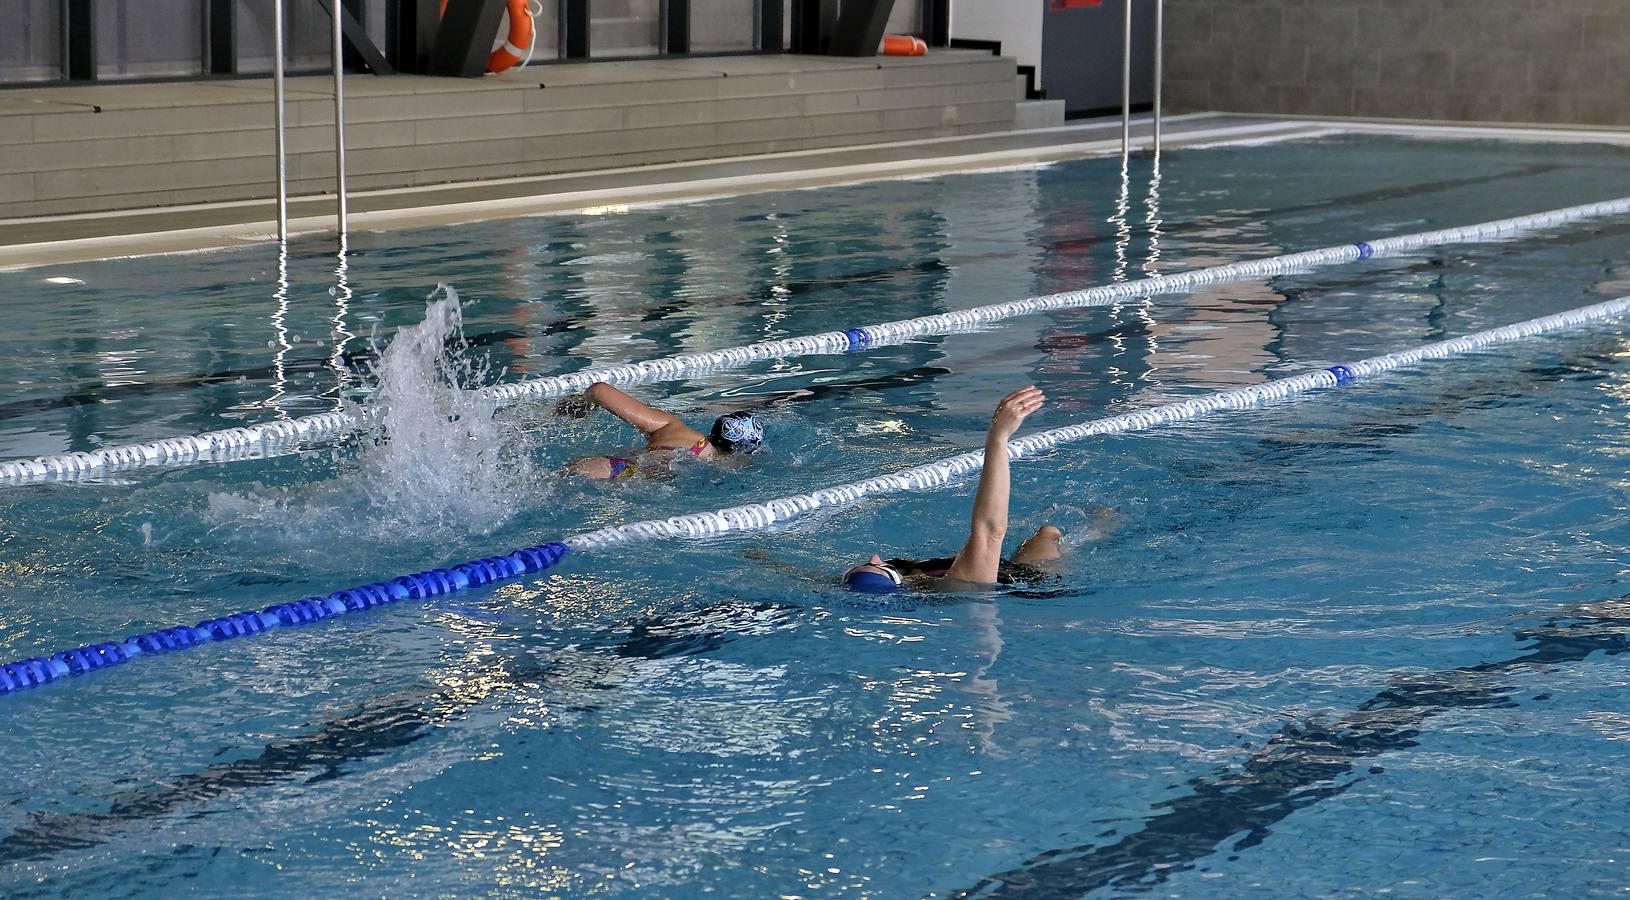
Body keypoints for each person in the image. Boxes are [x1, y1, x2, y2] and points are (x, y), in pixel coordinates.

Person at [841, 385, 1063, 592]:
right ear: (898, 583)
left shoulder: (908, 579)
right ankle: (1097, 528)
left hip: (961, 565)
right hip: (1026, 581)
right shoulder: (962, 582)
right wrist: (999, 436)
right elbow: (990, 530)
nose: (874, 557)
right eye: (881, 567)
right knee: (1048, 532)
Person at [558, 381, 763, 479]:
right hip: (625, 479)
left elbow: (599, 390)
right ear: (739, 452)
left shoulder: (671, 425)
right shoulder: (724, 465)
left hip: (605, 464)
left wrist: (584, 405)